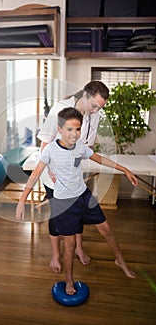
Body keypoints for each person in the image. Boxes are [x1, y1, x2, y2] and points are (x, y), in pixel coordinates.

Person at [16, 107, 138, 295]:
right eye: (70, 129)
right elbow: (35, 173)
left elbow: (99, 158)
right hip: (64, 203)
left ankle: (120, 260)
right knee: (70, 244)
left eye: (78, 129)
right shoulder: (50, 150)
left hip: (83, 197)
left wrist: (125, 170)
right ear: (59, 129)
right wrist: (22, 200)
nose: (75, 134)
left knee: (106, 229)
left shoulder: (79, 146)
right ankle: (69, 280)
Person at [37, 80, 109, 272]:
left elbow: (86, 146)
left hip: (74, 175)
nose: (95, 110)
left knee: (77, 211)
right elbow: (45, 143)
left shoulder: (95, 115)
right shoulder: (60, 109)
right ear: (85, 95)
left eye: (99, 107)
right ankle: (55, 255)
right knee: (58, 214)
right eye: (94, 105)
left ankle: (78, 248)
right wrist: (52, 172)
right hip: (53, 176)